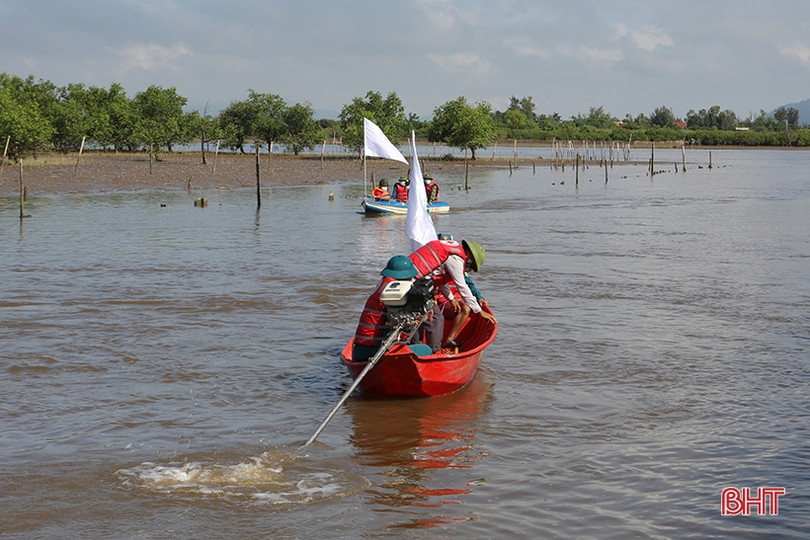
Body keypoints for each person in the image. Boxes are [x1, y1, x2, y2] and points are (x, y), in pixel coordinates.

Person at [408, 237, 495, 350]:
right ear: (468, 253)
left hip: (412, 282)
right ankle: (434, 351)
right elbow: (462, 286)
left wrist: (451, 299)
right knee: (436, 318)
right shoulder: (456, 258)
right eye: (471, 262)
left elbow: (440, 280)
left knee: (417, 315)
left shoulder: (448, 253)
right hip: (417, 286)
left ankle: (415, 347)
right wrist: (478, 311)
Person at [352, 255, 418, 362]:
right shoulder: (395, 293)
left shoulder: (385, 283)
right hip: (376, 351)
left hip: (360, 349)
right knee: (425, 349)